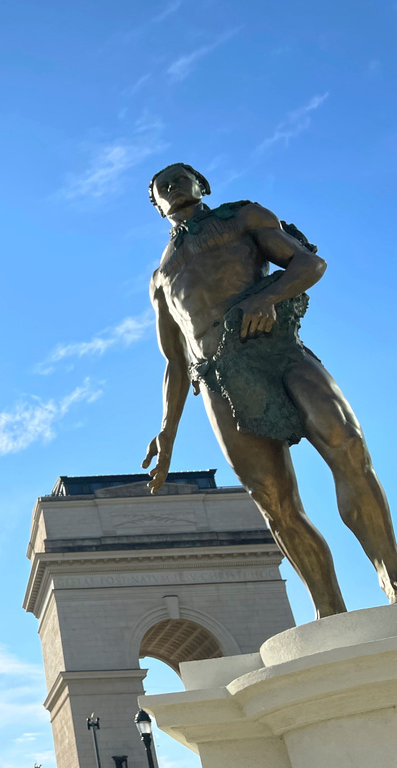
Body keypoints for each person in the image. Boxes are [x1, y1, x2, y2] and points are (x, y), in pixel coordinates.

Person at [141, 163, 397, 619]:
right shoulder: (161, 278)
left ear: (202, 186)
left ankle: (392, 575)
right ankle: (329, 613)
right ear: (157, 205)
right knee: (274, 501)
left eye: (181, 178)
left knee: (348, 446)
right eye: (162, 186)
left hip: (278, 351)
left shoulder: (243, 217)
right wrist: (167, 432)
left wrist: (267, 297)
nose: (172, 187)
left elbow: (309, 263)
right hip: (219, 377)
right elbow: (174, 363)